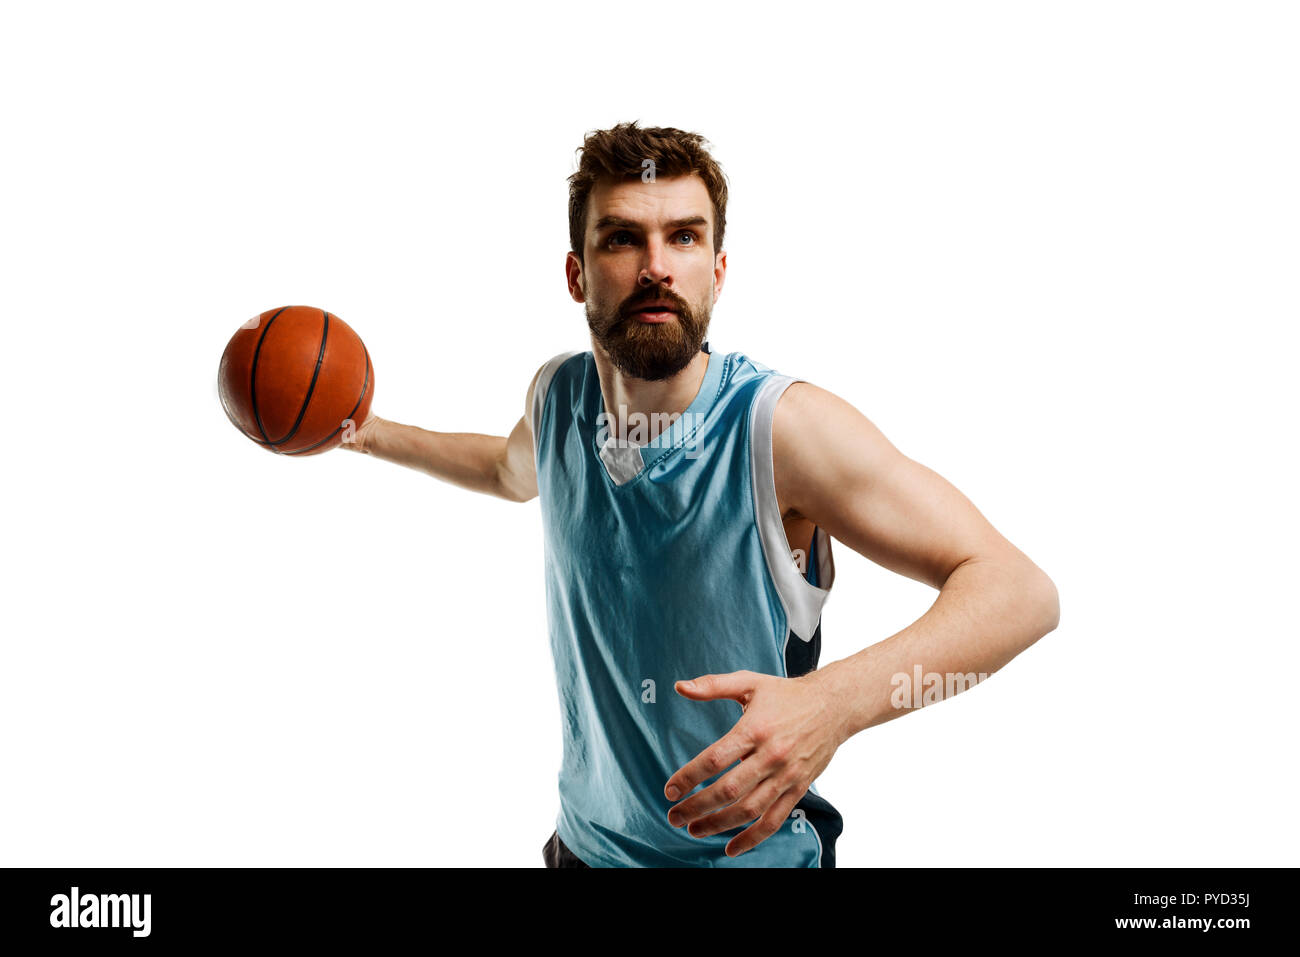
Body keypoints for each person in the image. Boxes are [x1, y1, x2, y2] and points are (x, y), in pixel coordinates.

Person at [341, 121, 1060, 867]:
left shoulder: (782, 431)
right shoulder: (557, 397)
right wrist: (367, 431)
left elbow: (1020, 592)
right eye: (622, 239)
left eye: (683, 237)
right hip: (584, 849)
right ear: (576, 274)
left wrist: (834, 704)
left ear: (717, 270)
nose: (656, 267)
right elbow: (506, 470)